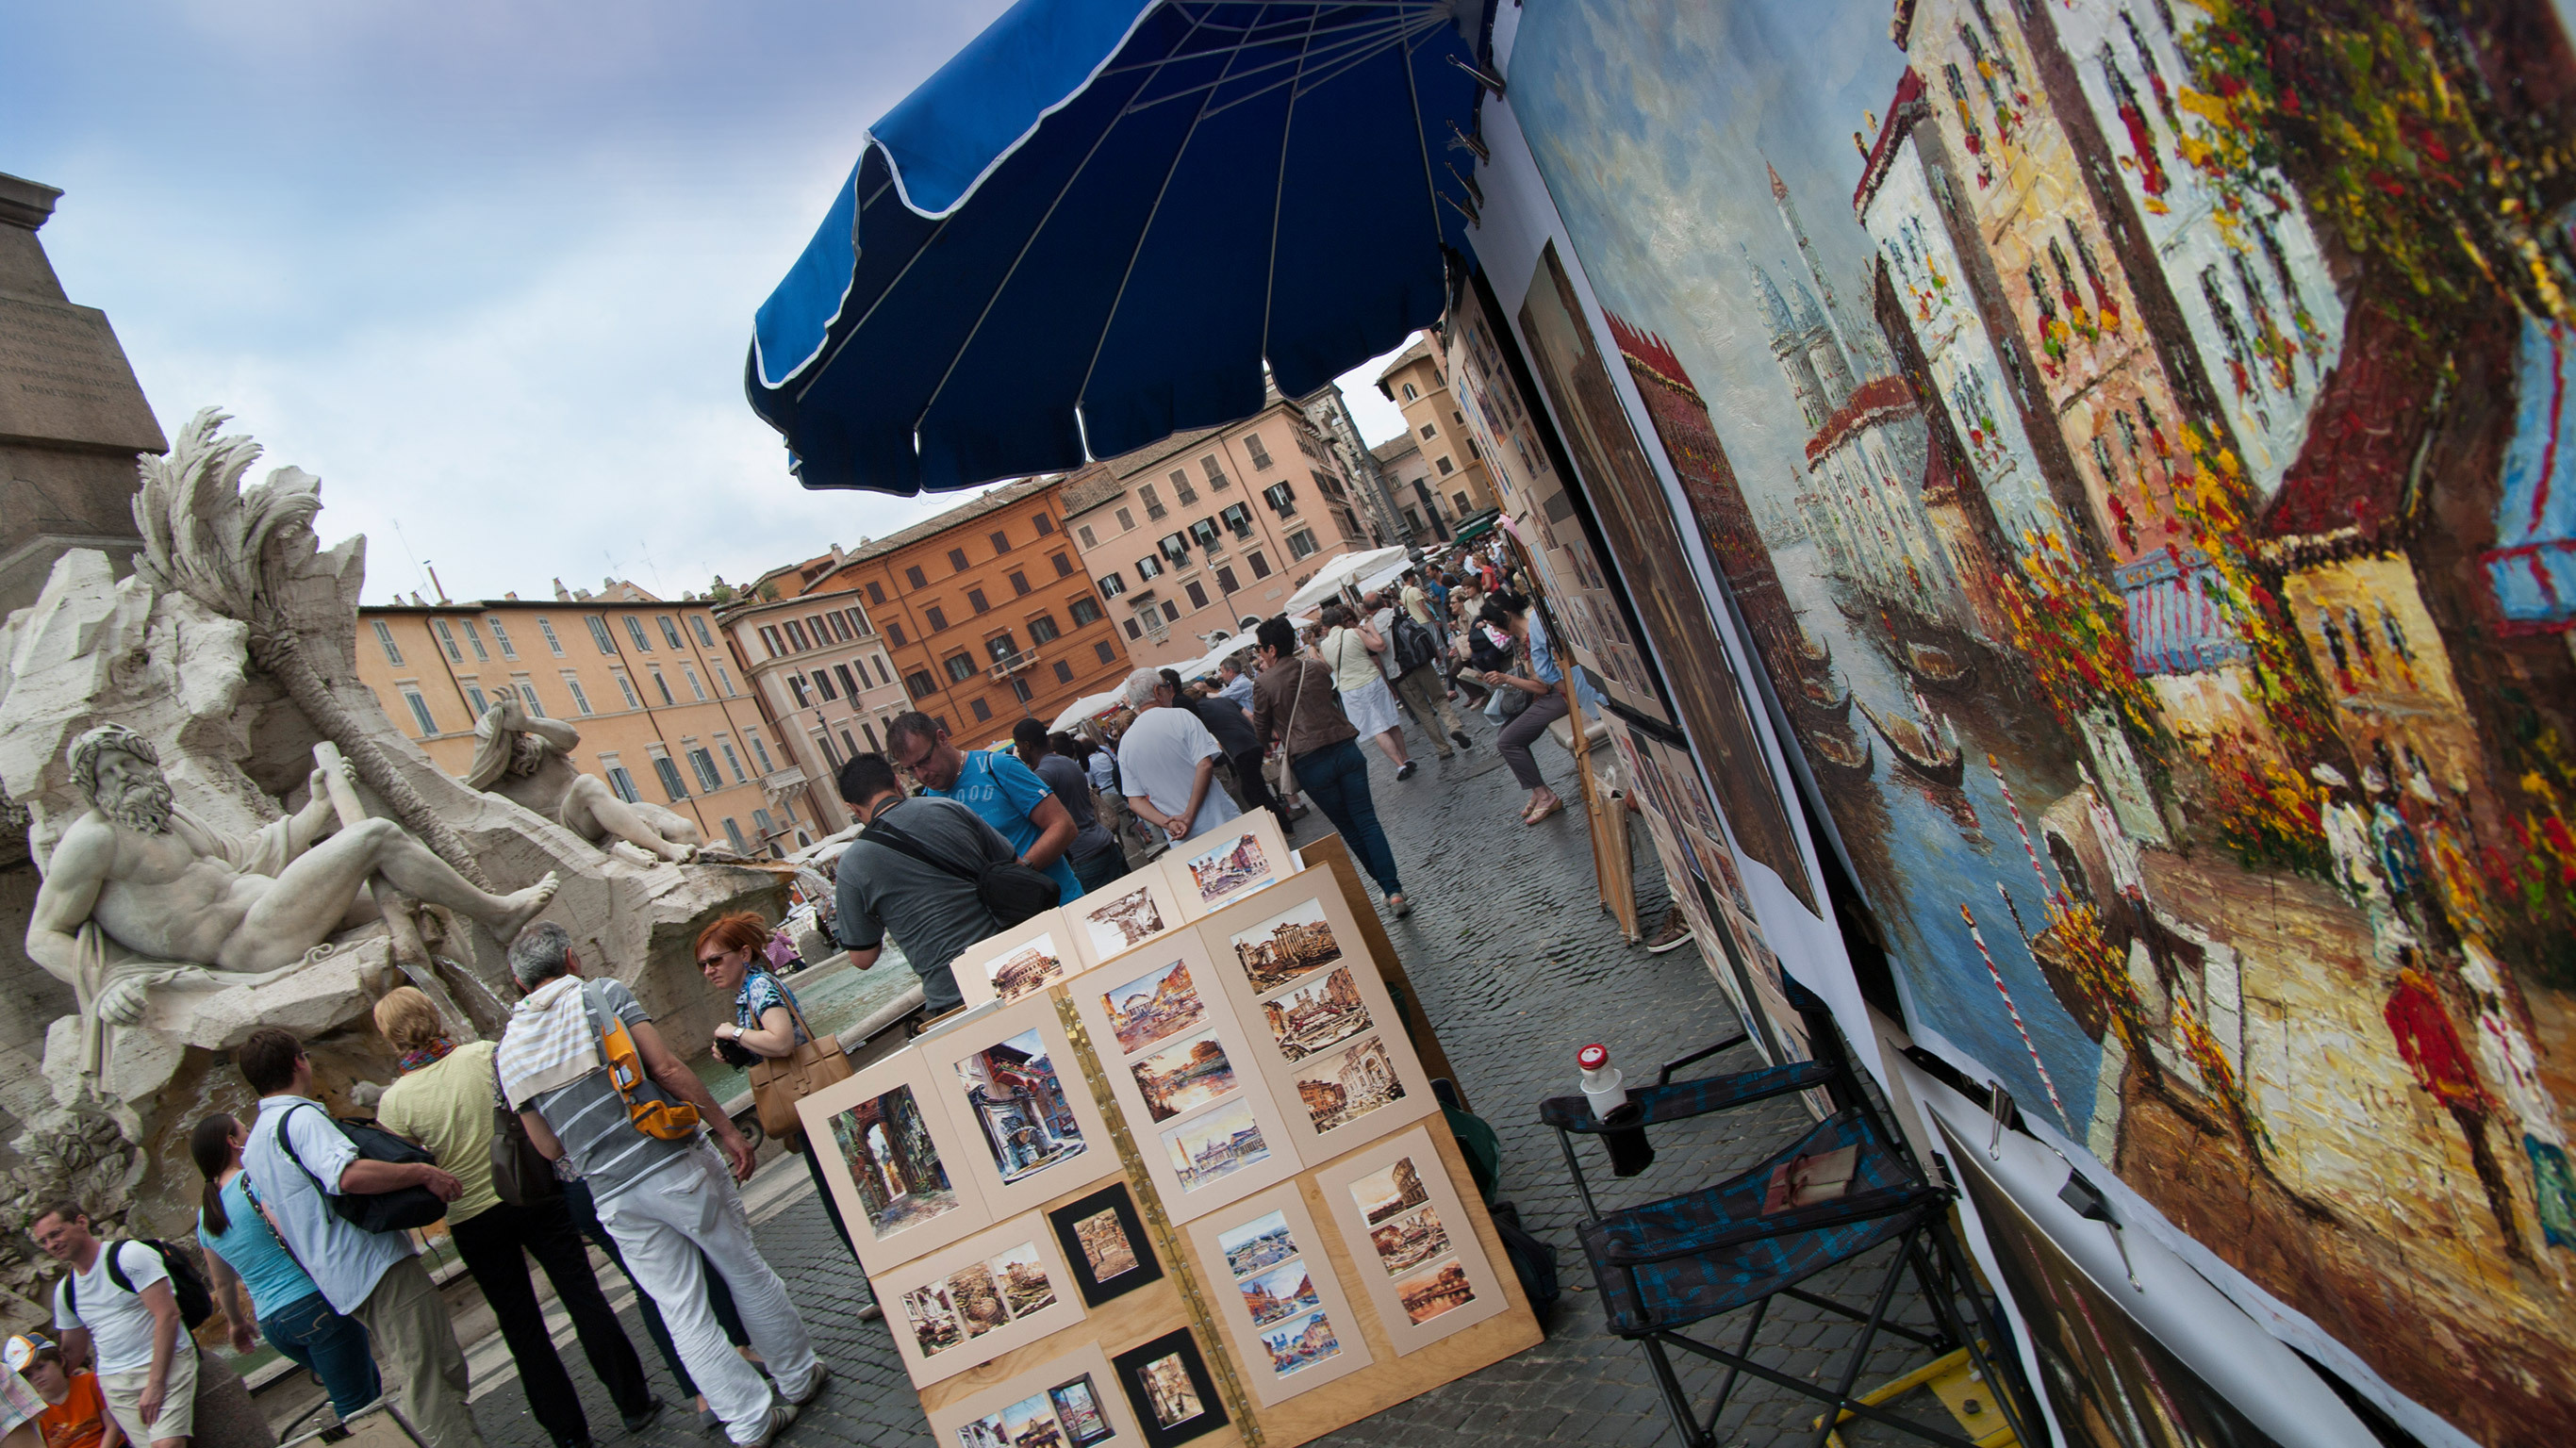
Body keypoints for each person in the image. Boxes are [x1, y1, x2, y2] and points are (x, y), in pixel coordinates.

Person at [499, 925, 822, 1448]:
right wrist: (724, 1129)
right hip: (672, 1162)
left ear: (518, 980)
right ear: (570, 957)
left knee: (680, 1308)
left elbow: (549, 1149)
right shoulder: (600, 995)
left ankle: (748, 1421)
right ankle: (799, 1376)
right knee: (743, 1269)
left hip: (611, 1194)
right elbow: (667, 1068)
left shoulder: (508, 1051)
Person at [371, 991, 660, 1448]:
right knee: (583, 1296)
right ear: (432, 1014)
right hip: (533, 1193)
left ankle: (568, 1435)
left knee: (522, 1330)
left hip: (471, 1219)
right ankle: (635, 1403)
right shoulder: (485, 1056)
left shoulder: (394, 1103)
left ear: (390, 1037)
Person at [234, 1029, 487, 1448]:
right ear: (299, 1062)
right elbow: (347, 1175)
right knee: (431, 1376)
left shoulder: (256, 1143)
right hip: (374, 1264)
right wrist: (424, 1173)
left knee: (424, 1370)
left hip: (341, 1275)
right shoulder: (301, 1118)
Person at [188, 1116, 381, 1423]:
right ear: (232, 1142)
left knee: (364, 1383)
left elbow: (222, 1284)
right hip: (313, 1306)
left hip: (273, 1324)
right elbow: (289, 1230)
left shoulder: (204, 1217)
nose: (250, 1134)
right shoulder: (254, 1181)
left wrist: (237, 1324)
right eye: (245, 1129)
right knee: (357, 1407)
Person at [696, 913, 855, 1258]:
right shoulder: (749, 990)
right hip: (806, 1103)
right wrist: (736, 1051)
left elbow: (782, 1042)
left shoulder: (760, 986)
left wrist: (734, 1032)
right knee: (841, 1195)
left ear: (744, 954)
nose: (709, 971)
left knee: (844, 1196)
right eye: (703, 965)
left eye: (715, 960)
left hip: (810, 1099)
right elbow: (767, 1046)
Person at [832, 753, 1017, 1014]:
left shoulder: (852, 865)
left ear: (853, 808)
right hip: (1010, 965)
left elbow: (863, 958)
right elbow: (1013, 863)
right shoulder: (948, 808)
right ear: (897, 782)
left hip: (952, 995)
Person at [1249, 615, 1408, 915]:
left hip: (1310, 763)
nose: (1258, 655)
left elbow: (1261, 732)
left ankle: (1388, 889)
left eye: (1258, 649)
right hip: (1345, 749)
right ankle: (1393, 889)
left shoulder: (1264, 684)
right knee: (1367, 820)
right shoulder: (1317, 668)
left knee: (1349, 827)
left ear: (1271, 649)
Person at [880, 713, 1084, 903]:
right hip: (1005, 928)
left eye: (924, 761)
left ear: (942, 738)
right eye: (910, 769)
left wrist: (1019, 872)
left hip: (1061, 904)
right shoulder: (926, 804)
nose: (921, 775)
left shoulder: (998, 767)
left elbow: (1064, 826)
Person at [31, 1210, 191, 1448]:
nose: (51, 1245)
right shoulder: (66, 1290)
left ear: (81, 1222)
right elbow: (70, 1354)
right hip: (114, 1382)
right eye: (44, 1241)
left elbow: (168, 1314)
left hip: (163, 1363)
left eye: (56, 1234)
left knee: (166, 1445)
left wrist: (156, 1384)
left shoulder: (128, 1255)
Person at [1115, 670, 1241, 843]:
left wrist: (1167, 823)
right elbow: (1204, 765)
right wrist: (1188, 815)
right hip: (1219, 820)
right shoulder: (1181, 716)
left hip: (1181, 837)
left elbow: (1135, 801)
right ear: (1158, 691)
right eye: (1167, 687)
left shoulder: (1126, 744)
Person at [1478, 592, 1570, 825]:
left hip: (1559, 696)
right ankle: (1537, 789)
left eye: (1493, 625)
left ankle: (1545, 795)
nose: (1495, 631)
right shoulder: (1519, 639)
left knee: (1507, 741)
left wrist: (1505, 679)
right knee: (1505, 734)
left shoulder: (1531, 636)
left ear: (1506, 616)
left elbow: (1541, 687)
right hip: (1548, 696)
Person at [1012, 722, 1125, 891]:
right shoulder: (1066, 762)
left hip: (1084, 856)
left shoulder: (1043, 775)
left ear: (1027, 745)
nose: (1018, 751)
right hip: (1104, 843)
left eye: (1018, 746)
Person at [1158, 668, 1278, 823]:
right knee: (1251, 791)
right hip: (1248, 745)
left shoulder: (1182, 705)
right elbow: (1249, 715)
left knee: (1252, 793)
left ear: (1169, 687)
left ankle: (1275, 825)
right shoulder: (1218, 701)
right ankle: (1274, 823)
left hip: (1239, 750)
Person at [1318, 602, 1412, 780]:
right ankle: (1406, 758)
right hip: (1372, 680)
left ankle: (1399, 765)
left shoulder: (1324, 646)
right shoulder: (1355, 632)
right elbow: (1380, 646)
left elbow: (1326, 670)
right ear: (1340, 620)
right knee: (1390, 722)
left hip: (1350, 689)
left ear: (1326, 626)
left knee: (1377, 728)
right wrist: (1371, 629)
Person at [1374, 593, 1471, 763]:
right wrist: (1435, 650)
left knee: (1423, 711)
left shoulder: (1369, 628)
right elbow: (1419, 630)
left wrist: (1388, 682)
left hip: (1399, 674)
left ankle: (1443, 749)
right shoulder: (1398, 611)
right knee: (1440, 698)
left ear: (1367, 610)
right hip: (1421, 663)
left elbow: (1376, 659)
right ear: (1383, 602)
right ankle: (1454, 727)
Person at [9, 1334, 121, 1448]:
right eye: (28, 1375)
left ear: (60, 1360)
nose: (36, 1377)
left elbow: (113, 1425)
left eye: (40, 1367)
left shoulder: (90, 1381)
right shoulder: (34, 1411)